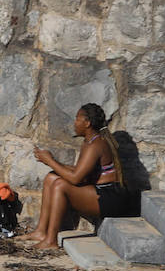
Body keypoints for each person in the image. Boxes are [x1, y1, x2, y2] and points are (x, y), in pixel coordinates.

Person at [23, 103, 129, 250]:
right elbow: (79, 172)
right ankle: (41, 231)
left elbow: (75, 179)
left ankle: (51, 241)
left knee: (60, 185)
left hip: (109, 197)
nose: (74, 122)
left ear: (87, 123)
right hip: (98, 191)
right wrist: (51, 162)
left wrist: (50, 161)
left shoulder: (96, 145)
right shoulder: (89, 141)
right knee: (51, 177)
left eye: (77, 119)